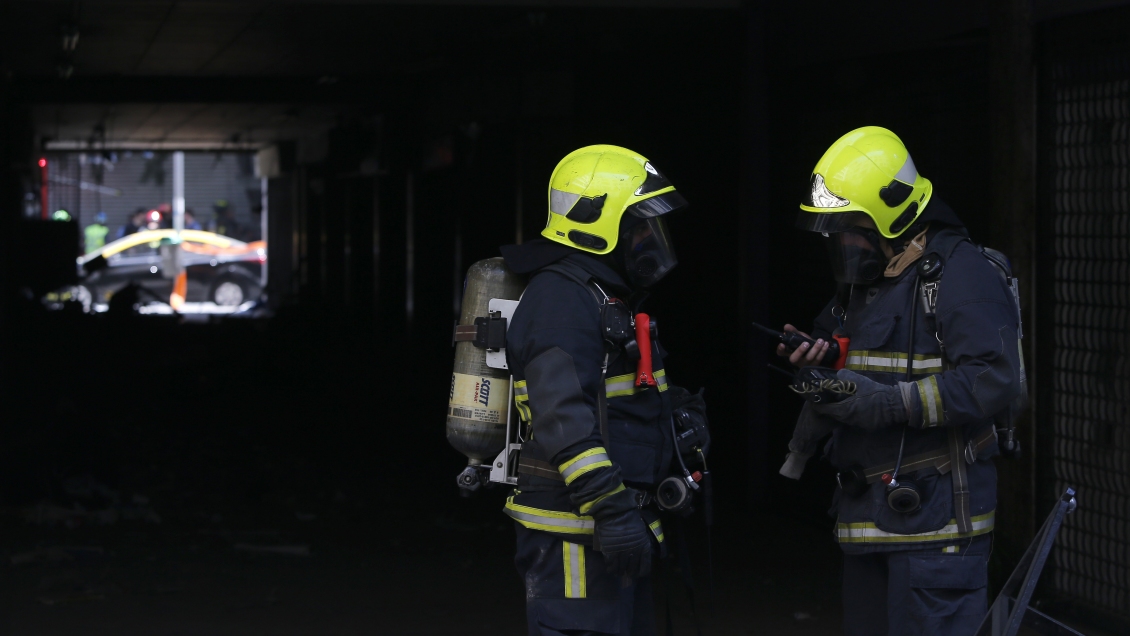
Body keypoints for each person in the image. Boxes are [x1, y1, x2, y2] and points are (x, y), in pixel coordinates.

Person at [778, 126, 1024, 635]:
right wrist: (814, 359)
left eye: (850, 227)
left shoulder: (961, 274)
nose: (841, 241)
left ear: (889, 216)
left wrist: (890, 405)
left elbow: (993, 379)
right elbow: (845, 354)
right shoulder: (869, 282)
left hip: (936, 535)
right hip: (870, 524)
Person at [500, 145, 706, 636]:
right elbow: (562, 419)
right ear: (598, 225)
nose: (648, 239)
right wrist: (612, 512)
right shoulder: (560, 299)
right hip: (576, 535)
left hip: (612, 530)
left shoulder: (600, 294)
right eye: (636, 226)